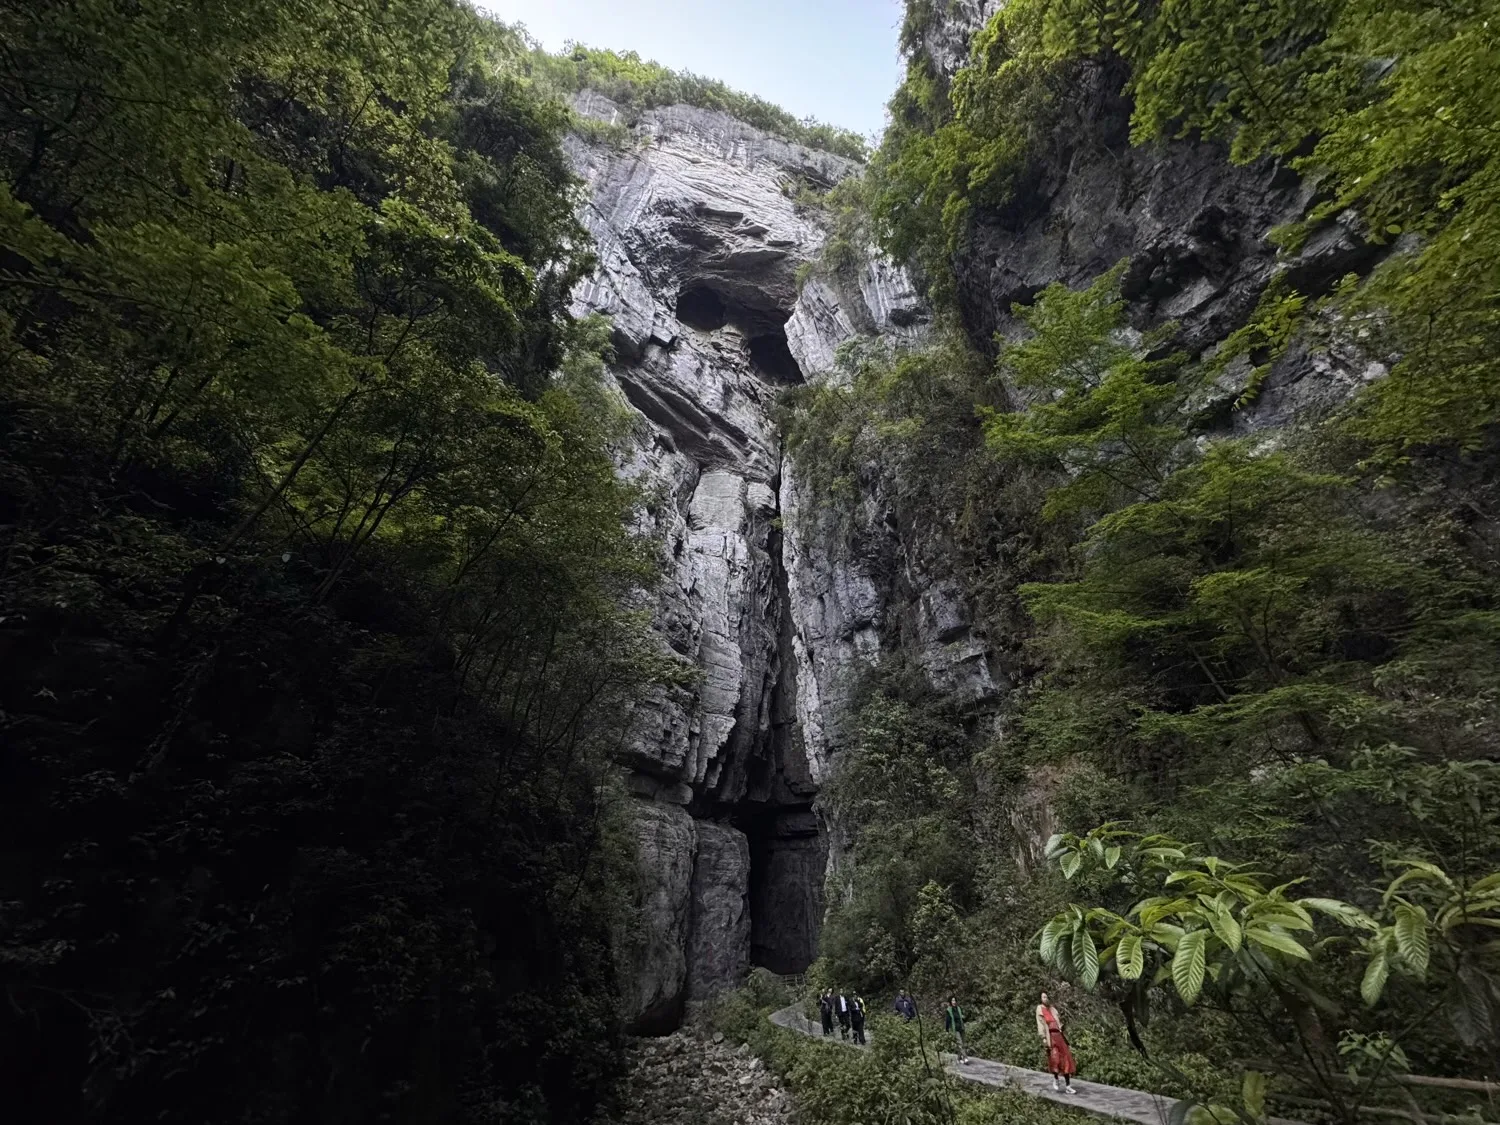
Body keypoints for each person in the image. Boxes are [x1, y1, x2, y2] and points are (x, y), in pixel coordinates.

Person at [1036, 991, 1077, 1094]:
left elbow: (1059, 1022)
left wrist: (1062, 1027)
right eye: (1044, 997)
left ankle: (1068, 1086)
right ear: (1041, 999)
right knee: (1055, 1059)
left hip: (1059, 1036)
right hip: (1051, 1037)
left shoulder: (1053, 1009)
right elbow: (1040, 1024)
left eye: (1047, 997)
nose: (1046, 999)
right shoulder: (1040, 1009)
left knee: (1066, 1059)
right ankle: (1056, 1078)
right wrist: (1043, 1037)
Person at [943, 995, 968, 1063]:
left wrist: (964, 1018)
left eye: (954, 1000)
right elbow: (948, 1020)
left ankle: (959, 1058)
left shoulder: (958, 1008)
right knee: (960, 1043)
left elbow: (960, 1016)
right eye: (952, 1000)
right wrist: (947, 1029)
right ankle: (965, 1057)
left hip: (961, 1027)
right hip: (956, 1028)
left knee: (964, 1043)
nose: (954, 1002)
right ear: (950, 1002)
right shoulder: (949, 1010)